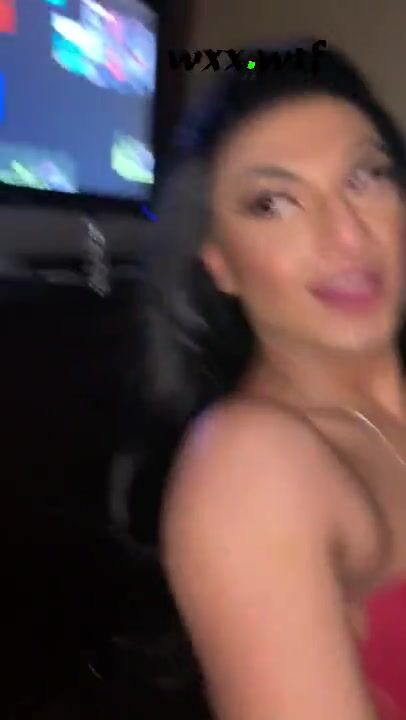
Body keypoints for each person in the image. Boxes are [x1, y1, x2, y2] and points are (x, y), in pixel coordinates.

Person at [141, 38, 406, 719]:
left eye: (365, 177)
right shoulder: (251, 466)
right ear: (218, 263)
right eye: (273, 204)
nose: (347, 236)